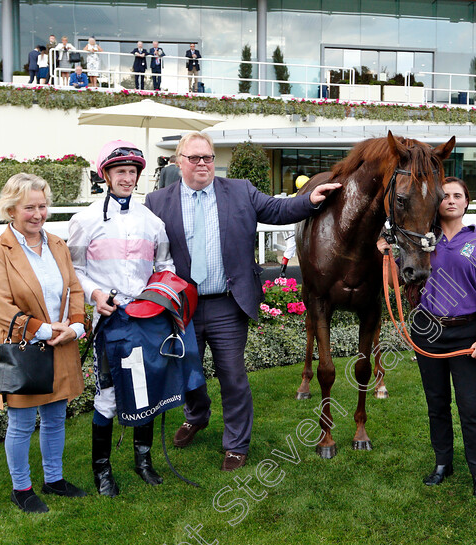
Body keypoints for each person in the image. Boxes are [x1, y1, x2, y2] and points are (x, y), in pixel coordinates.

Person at [144, 132, 340, 471]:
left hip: (227, 303)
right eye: (195, 158)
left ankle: (236, 443)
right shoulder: (156, 202)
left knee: (232, 375)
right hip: (182, 306)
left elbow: (278, 209)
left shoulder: (239, 191)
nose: (203, 163)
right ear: (180, 162)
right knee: (188, 370)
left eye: (207, 157)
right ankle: (197, 415)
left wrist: (310, 200)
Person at [376, 176, 476, 500]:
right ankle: (443, 463)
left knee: (471, 406)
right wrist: (387, 254)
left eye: (458, 195)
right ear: (435, 202)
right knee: (436, 405)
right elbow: (395, 284)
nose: (451, 200)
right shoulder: (418, 242)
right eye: (445, 196)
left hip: (466, 334)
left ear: (466, 202)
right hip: (428, 331)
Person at [68, 140, 175, 496]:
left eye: (132, 172)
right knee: (110, 396)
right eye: (120, 172)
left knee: (147, 390)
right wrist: (95, 295)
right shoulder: (84, 221)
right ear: (106, 175)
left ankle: (143, 461)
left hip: (145, 320)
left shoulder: (153, 222)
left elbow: (164, 267)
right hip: (109, 322)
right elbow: (74, 270)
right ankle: (102, 471)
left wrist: (159, 298)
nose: (127, 179)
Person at [0, 173, 88, 513]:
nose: (38, 214)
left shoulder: (57, 244)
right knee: (23, 423)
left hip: (62, 342)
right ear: (11, 209)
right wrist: (44, 331)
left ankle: (54, 479)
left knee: (56, 416)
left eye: (43, 206)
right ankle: (21, 488)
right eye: (30, 207)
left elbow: (74, 289)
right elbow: (0, 309)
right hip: (24, 348)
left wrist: (75, 326)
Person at [278, 174, 309, 277]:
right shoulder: (297, 198)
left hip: (296, 224)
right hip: (291, 225)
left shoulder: (294, 196)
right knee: (291, 246)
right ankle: (282, 271)